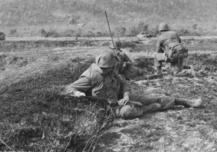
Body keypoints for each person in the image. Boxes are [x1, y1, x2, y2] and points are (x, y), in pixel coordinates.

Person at [65, 49, 202, 120]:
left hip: (125, 99)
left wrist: (126, 95)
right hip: (110, 107)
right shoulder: (90, 76)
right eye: (112, 66)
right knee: (128, 112)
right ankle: (151, 108)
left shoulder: (110, 72)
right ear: (105, 66)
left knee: (152, 97)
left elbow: (124, 83)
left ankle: (184, 102)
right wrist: (77, 93)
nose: (114, 68)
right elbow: (68, 88)